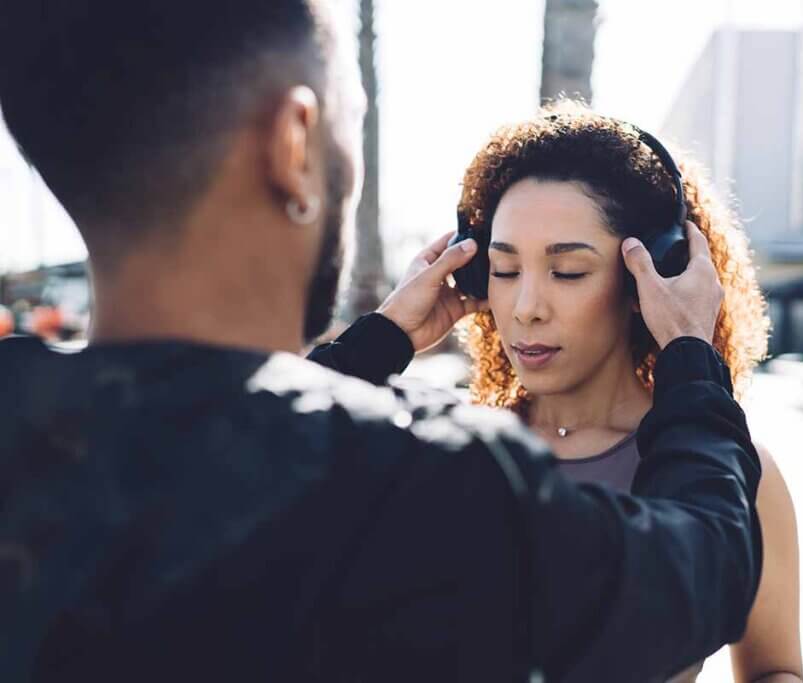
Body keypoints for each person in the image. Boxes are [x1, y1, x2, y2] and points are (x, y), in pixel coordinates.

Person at [0, 2, 761, 682]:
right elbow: (703, 568)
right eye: (349, 117)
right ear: (294, 144)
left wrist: (375, 345)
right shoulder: (428, 487)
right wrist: (693, 361)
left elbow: (226, 440)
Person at [451, 102, 802, 682]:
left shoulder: (738, 474)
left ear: (651, 277)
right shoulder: (443, 453)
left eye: (567, 272)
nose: (526, 308)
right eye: (505, 270)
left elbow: (775, 669)